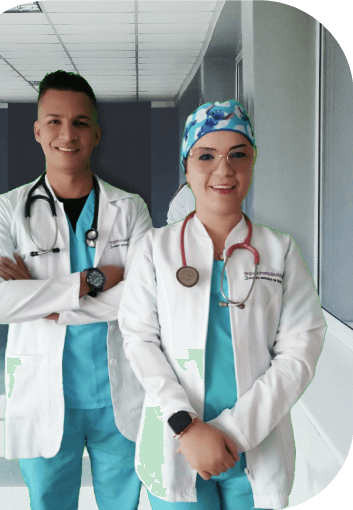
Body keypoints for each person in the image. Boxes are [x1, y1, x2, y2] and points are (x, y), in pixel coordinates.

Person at [118, 100, 326, 509]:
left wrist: (233, 433)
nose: (224, 169)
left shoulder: (280, 251)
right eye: (206, 156)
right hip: (178, 444)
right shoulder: (154, 249)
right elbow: (139, 341)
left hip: (256, 444)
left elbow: (300, 352)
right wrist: (186, 425)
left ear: (253, 161)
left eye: (238, 155)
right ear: (186, 165)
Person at [0, 70, 152, 510]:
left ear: (96, 133)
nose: (67, 134)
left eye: (79, 123)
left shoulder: (130, 210)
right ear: (38, 131)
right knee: (49, 502)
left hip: (120, 392)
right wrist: (90, 281)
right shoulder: (6, 212)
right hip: (42, 390)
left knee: (122, 503)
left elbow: (145, 299)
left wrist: (45, 302)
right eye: (54, 121)